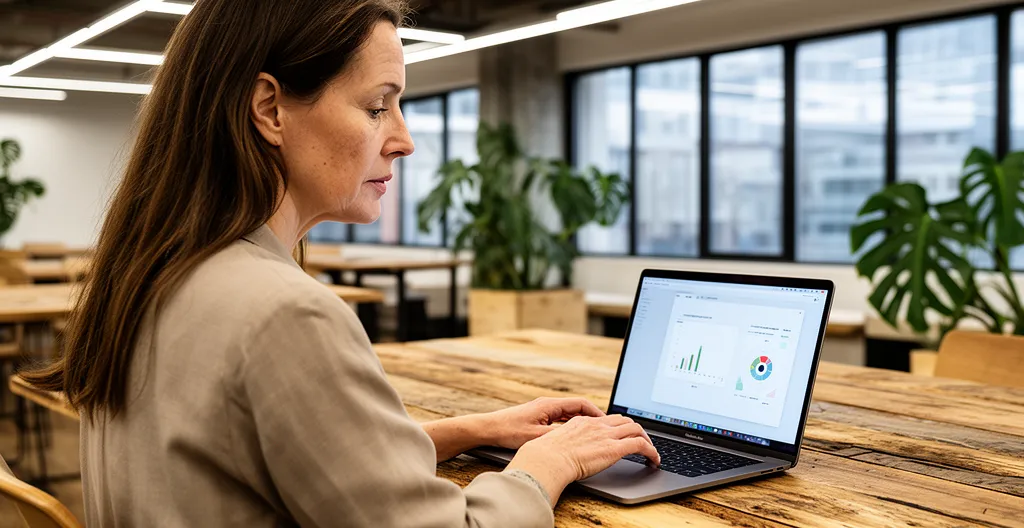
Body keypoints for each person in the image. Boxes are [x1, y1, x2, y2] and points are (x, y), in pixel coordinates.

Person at [23, 1, 660, 526]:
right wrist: (548, 465)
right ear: (269, 109)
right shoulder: (284, 313)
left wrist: (470, 430)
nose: (404, 139)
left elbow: (281, 461)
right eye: (378, 105)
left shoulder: (154, 276)